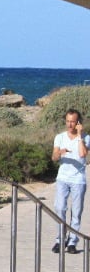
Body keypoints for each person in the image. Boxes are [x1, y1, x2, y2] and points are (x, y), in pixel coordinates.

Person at [52, 108, 90, 254]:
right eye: (67, 121)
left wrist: (79, 135)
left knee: (77, 211)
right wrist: (60, 152)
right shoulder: (60, 137)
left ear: (78, 122)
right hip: (62, 178)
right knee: (60, 208)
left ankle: (72, 241)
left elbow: (83, 154)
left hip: (78, 180)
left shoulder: (86, 137)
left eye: (72, 122)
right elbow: (54, 157)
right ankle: (60, 239)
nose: (69, 124)